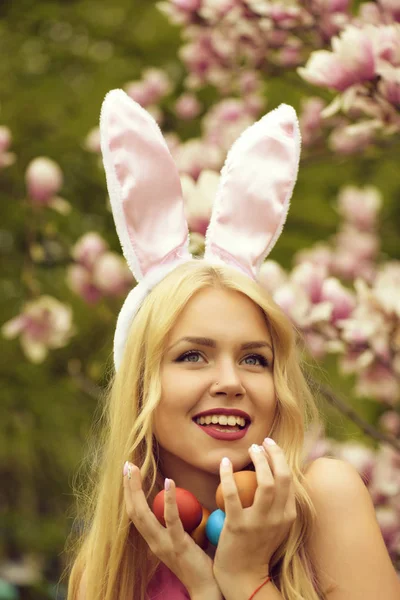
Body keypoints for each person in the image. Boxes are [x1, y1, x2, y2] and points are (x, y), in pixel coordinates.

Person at [64, 90, 400, 600]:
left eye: (253, 359)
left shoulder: (327, 501)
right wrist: (201, 585)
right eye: (192, 355)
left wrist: (246, 579)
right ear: (138, 381)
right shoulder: (106, 570)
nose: (230, 381)